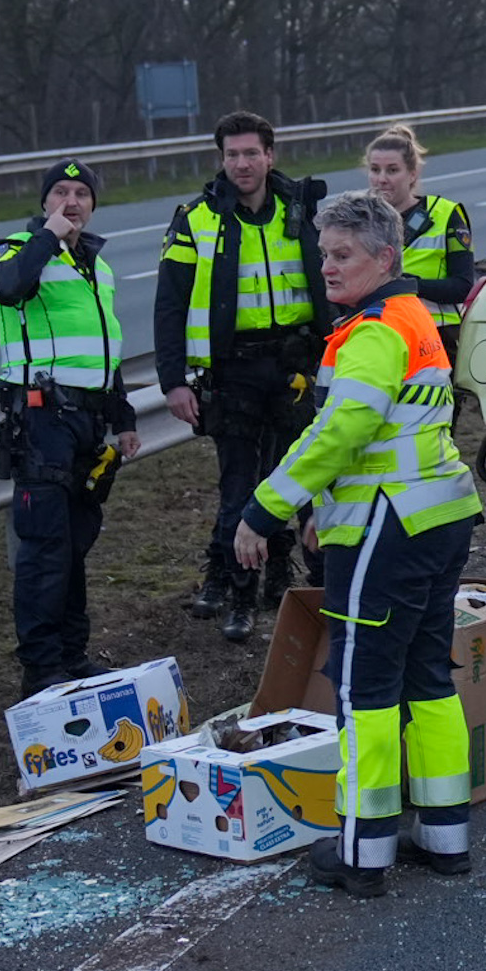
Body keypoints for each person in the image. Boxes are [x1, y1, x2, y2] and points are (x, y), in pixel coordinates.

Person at [234, 190, 483, 898]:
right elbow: (392, 434)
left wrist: (265, 509)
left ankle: (362, 853)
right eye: (324, 253)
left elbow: (342, 430)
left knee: (364, 688)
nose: (327, 267)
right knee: (427, 679)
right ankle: (445, 836)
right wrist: (325, 507)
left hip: (387, 527)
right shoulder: (414, 317)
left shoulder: (372, 332)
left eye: (342, 254)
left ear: (385, 257)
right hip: (435, 517)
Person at [154, 111, 330, 643]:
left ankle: (295, 583)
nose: (242, 163)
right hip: (232, 372)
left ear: (270, 156)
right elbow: (170, 304)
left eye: (252, 153)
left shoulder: (301, 210)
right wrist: (173, 380)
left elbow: (332, 279)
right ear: (222, 160)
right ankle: (240, 597)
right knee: (239, 488)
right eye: (232, 155)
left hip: (295, 367)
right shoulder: (196, 219)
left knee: (298, 480)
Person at [0, 159, 141, 697]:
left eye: (81, 194)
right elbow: (8, 287)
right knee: (45, 549)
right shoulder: (11, 251)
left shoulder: (94, 265)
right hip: (41, 420)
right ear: (44, 201)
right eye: (60, 193)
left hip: (86, 423)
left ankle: (72, 657)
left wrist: (123, 417)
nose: (71, 202)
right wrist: (47, 237)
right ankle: (41, 668)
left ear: (93, 204)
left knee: (74, 547)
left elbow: (103, 349)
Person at [363, 126, 474, 365]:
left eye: (392, 170)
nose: (382, 179)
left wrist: (408, 285)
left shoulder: (445, 215)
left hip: (435, 338)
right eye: (375, 169)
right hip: (378, 336)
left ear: (412, 174)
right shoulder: (358, 219)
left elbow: (462, 286)